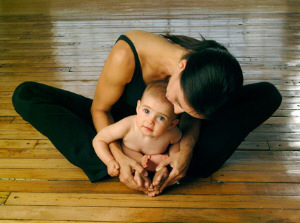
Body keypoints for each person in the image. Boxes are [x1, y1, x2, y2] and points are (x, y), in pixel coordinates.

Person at [12, 30, 282, 196]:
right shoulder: (127, 54)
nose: (175, 109)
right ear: (182, 67)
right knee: (26, 95)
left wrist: (184, 152)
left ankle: (173, 170)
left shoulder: (206, 70)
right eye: (175, 100)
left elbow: (189, 122)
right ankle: (120, 169)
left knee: (267, 94)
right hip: (121, 130)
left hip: (171, 146)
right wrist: (119, 158)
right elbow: (99, 109)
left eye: (183, 110)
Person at [93, 80, 182, 196]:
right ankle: (143, 181)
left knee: (162, 165)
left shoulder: (172, 134)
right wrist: (110, 161)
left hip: (156, 161)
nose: (150, 121)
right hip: (131, 160)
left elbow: (176, 143)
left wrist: (170, 162)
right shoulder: (127, 125)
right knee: (135, 170)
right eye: (146, 111)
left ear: (172, 124)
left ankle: (159, 177)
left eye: (160, 118)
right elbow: (99, 140)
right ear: (138, 107)